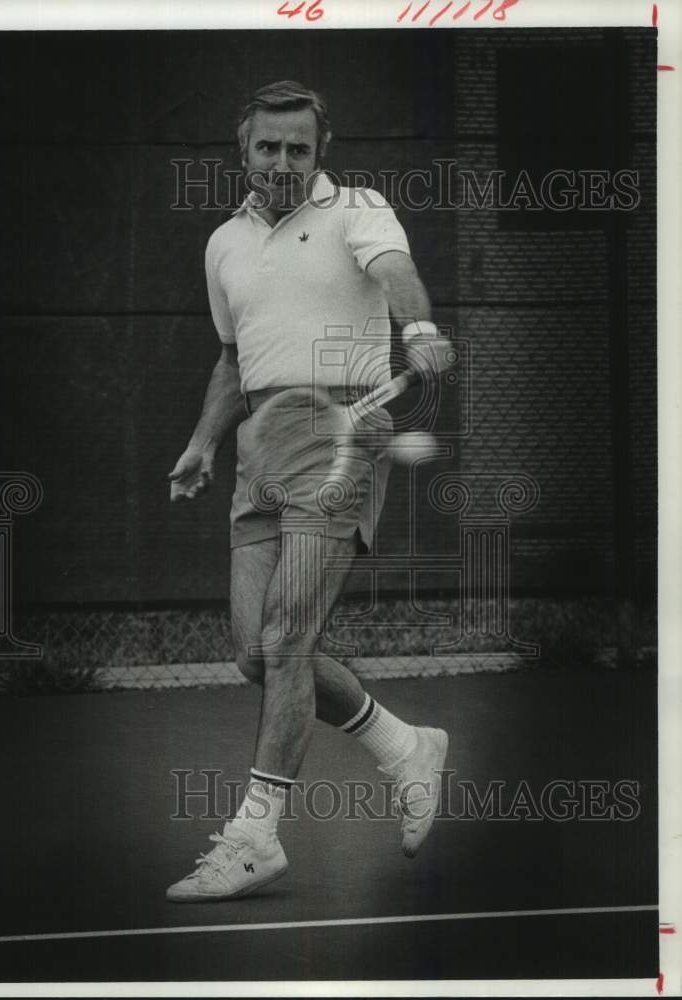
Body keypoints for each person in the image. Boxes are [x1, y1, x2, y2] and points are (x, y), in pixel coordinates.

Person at [166, 80, 448, 902]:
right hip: (260, 446)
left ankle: (255, 836)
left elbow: (395, 272)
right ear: (243, 153)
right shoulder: (223, 244)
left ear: (319, 154)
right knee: (256, 651)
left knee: (289, 634)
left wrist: (419, 329)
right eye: (268, 147)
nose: (282, 161)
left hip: (341, 438)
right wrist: (201, 442)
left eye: (298, 148)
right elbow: (231, 355)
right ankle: (405, 747)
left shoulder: (359, 209)